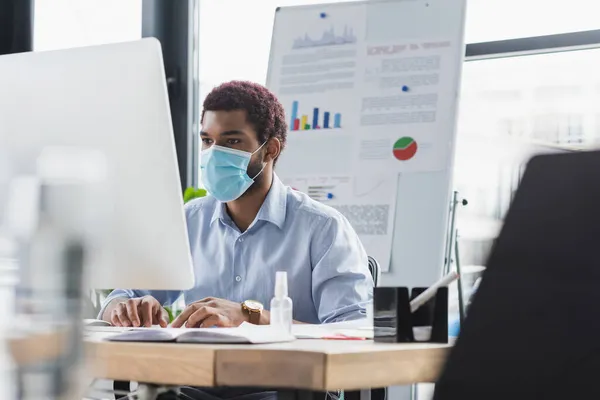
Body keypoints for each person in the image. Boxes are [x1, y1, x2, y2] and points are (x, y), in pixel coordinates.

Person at [99, 80, 373, 400]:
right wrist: (125, 308)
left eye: (231, 141)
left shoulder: (323, 229)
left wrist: (251, 316)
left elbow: (355, 334)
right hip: (194, 388)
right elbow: (118, 298)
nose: (214, 154)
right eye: (207, 140)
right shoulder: (189, 220)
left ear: (270, 150)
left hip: (286, 390)